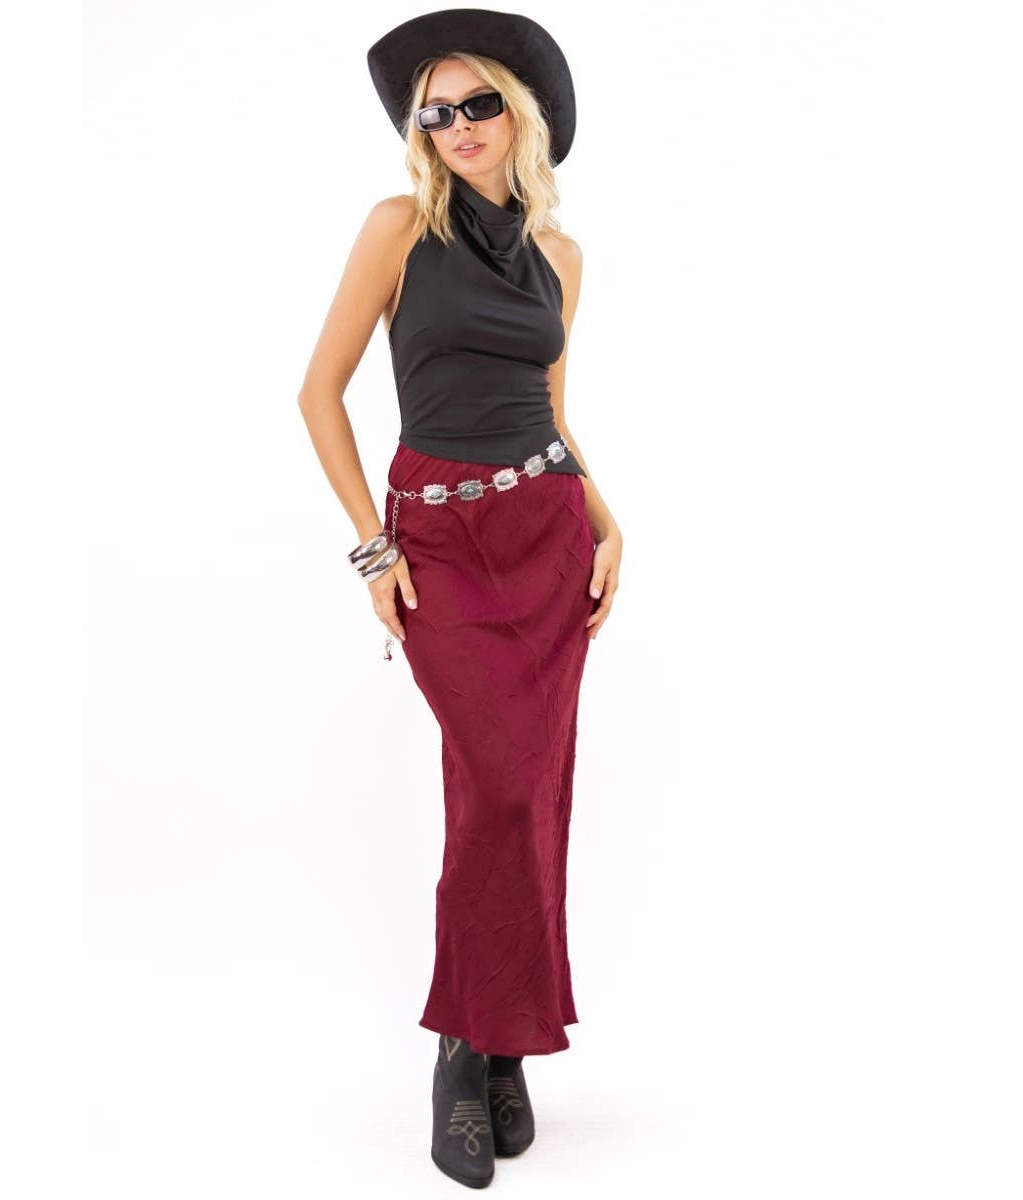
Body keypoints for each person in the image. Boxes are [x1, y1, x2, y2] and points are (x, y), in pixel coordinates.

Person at [298, 8, 622, 1188]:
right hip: (437, 541)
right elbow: (319, 394)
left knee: (532, 791)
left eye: (478, 103)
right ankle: (460, 1049)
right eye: (435, 112)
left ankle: (503, 1045)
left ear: (518, 114)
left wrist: (606, 519)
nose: (458, 125)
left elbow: (553, 410)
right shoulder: (399, 228)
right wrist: (372, 551)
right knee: (496, 786)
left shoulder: (562, 257)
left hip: (548, 533)